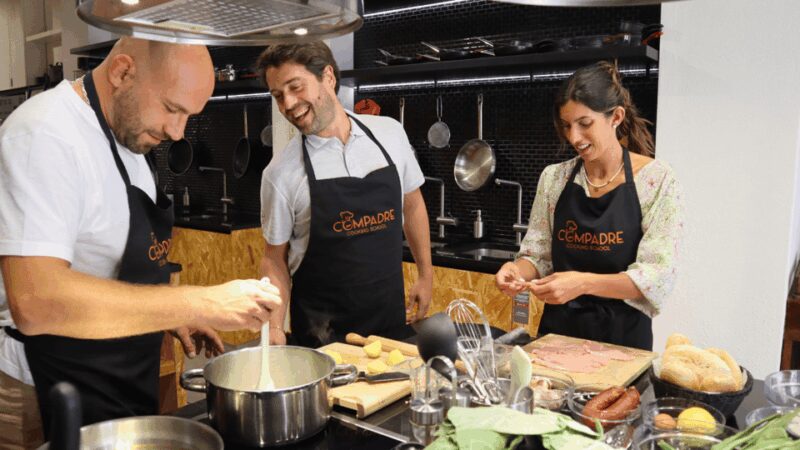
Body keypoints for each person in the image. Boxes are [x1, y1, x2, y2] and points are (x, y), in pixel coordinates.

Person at [0, 37, 282, 442]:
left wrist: (171, 313)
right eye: (171, 108)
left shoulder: (131, 140)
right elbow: (36, 301)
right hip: (44, 390)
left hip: (117, 378)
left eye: (188, 116)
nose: (176, 132)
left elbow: (107, 261)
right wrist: (198, 302)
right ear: (122, 72)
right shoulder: (44, 135)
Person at [495, 61, 683, 351]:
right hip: (557, 339)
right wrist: (516, 270)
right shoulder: (554, 178)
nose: (574, 137)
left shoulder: (656, 180)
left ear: (616, 117)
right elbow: (538, 254)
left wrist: (582, 283)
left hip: (623, 344)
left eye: (585, 124)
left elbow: (655, 277)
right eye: (567, 125)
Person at [256, 42, 433, 347]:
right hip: (323, 342)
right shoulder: (280, 174)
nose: (288, 104)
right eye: (278, 95)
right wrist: (273, 326)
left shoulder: (390, 134)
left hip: (390, 332)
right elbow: (274, 260)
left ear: (328, 77)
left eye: (295, 87)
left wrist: (425, 274)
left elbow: (413, 203)